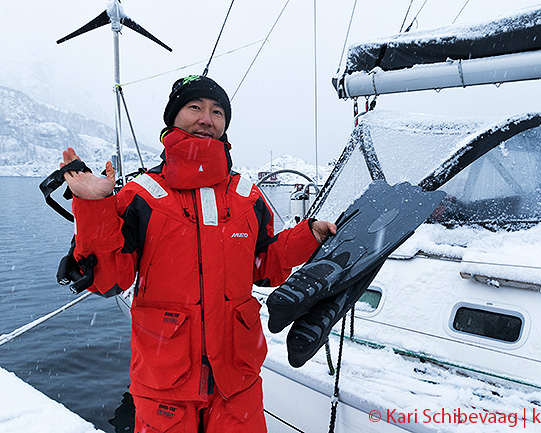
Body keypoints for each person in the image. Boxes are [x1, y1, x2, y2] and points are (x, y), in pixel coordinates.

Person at [60, 74, 336, 433]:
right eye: (195, 107)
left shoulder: (247, 196)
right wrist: (94, 204)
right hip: (165, 385)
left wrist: (308, 235)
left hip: (237, 381)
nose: (207, 118)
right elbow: (110, 280)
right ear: (172, 119)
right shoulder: (141, 196)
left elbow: (263, 265)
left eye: (217, 111)